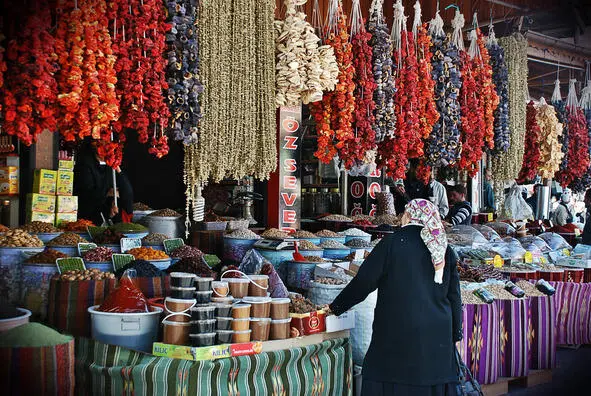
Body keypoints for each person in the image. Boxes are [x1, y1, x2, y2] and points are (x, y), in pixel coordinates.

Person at [329, 199, 462, 396]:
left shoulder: (391, 243)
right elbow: (454, 297)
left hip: (397, 333)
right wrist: (455, 333)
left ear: (408, 216)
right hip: (437, 338)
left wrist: (335, 307)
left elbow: (364, 282)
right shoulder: (443, 249)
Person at [74, 140, 134, 225]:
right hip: (89, 215)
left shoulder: (110, 166)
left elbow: (127, 192)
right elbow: (87, 193)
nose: (109, 151)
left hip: (107, 214)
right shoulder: (85, 164)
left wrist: (118, 168)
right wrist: (108, 193)